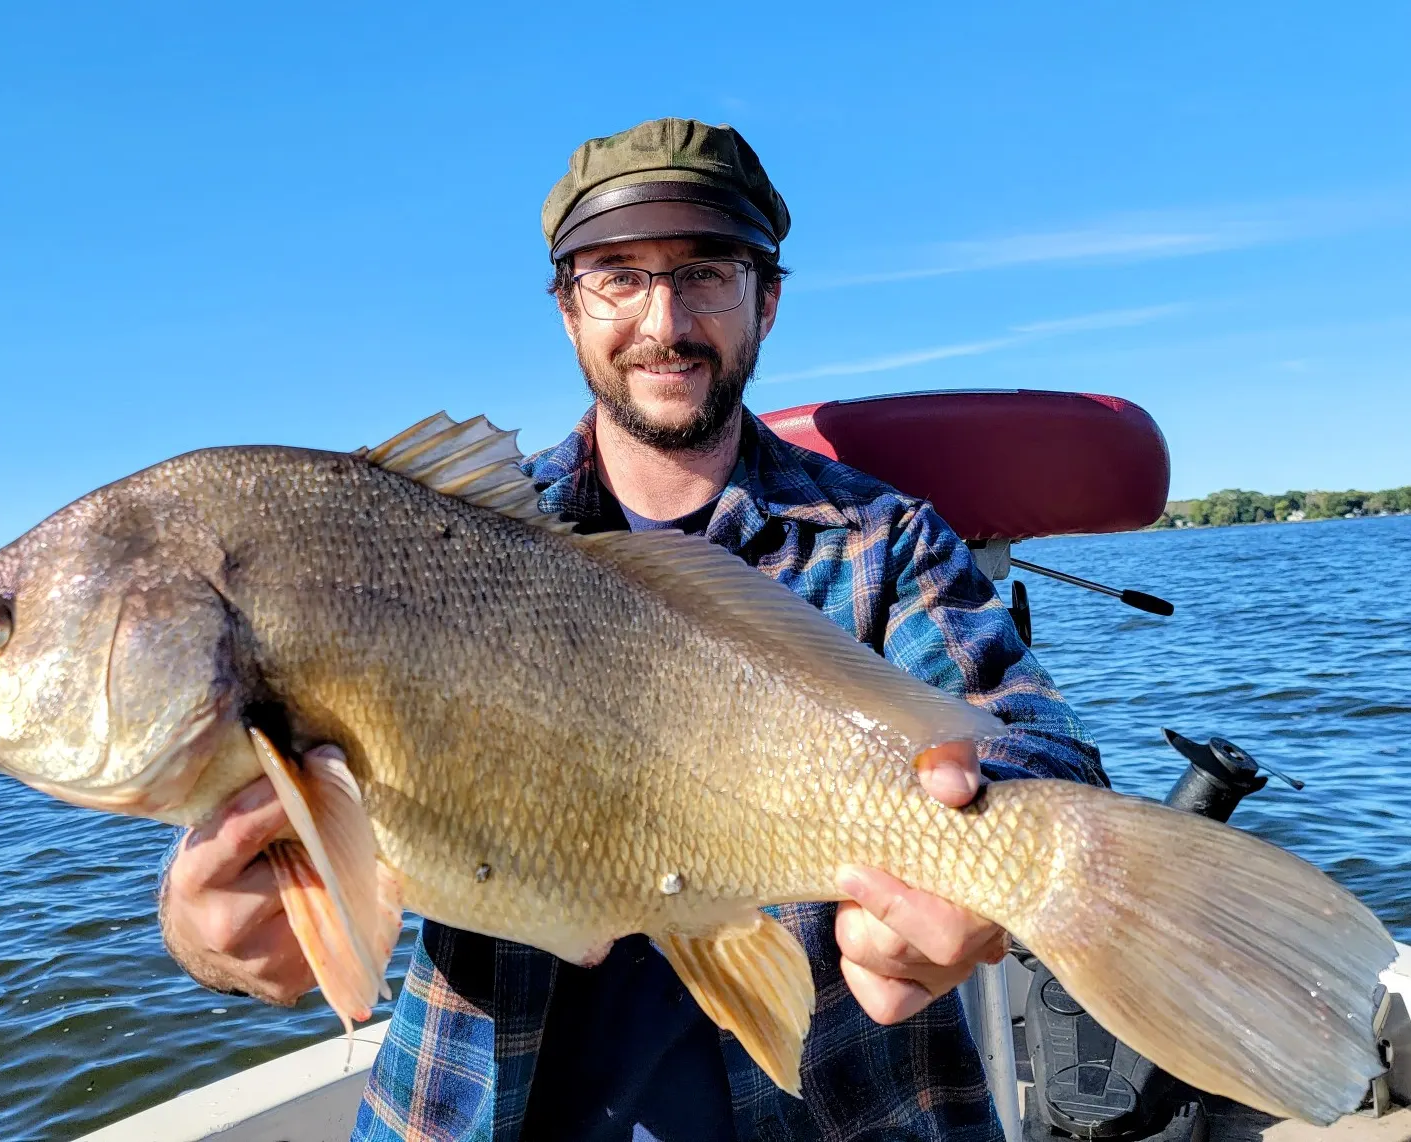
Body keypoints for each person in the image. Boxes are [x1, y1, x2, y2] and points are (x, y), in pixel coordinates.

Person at [158, 118, 1106, 1142]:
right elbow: (272, 867)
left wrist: (981, 881)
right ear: (567, 306)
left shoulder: (883, 541)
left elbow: (1038, 753)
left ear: (767, 300)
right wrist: (217, 930)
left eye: (705, 272)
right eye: (617, 274)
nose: (664, 320)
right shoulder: (440, 544)